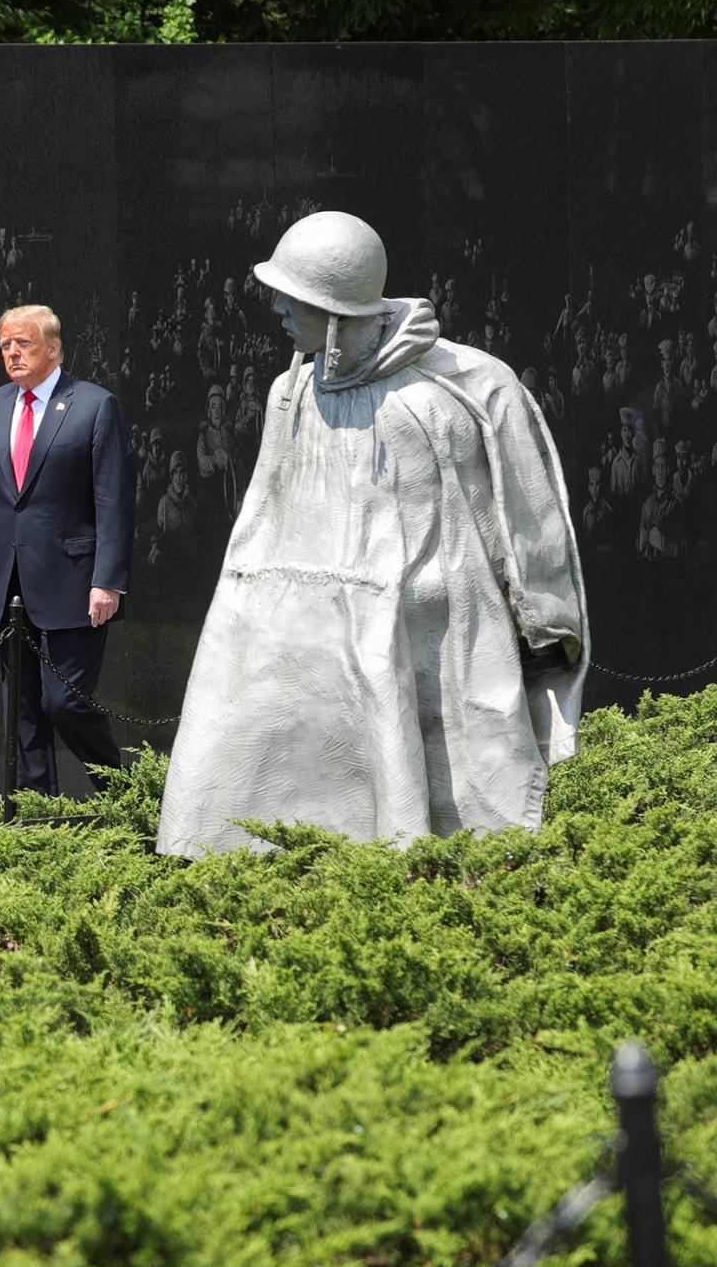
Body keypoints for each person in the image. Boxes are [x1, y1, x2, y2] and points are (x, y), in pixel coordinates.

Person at [158, 211, 588, 856]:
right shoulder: (291, 389)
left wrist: (546, 620)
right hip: (305, 639)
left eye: (292, 296)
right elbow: (264, 513)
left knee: (444, 814)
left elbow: (527, 514)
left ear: (335, 312)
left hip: (434, 630)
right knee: (273, 803)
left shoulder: (465, 387)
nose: (275, 306)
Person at [0, 303, 136, 797]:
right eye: (6, 345)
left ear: (53, 349)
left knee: (65, 703)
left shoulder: (94, 405)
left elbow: (113, 500)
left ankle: (127, 795)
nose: (12, 352)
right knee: (24, 710)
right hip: (5, 584)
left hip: (76, 584)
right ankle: (37, 817)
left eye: (24, 343)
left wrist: (108, 579)